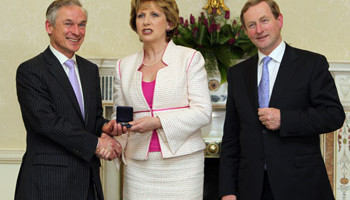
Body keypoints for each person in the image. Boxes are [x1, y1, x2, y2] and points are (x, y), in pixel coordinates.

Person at [219, 0, 345, 200]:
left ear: (279, 20)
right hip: (251, 188)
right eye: (251, 25)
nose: (259, 30)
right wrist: (227, 190)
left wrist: (285, 120)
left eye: (264, 20)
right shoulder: (237, 74)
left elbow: (334, 115)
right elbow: (231, 137)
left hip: (301, 185)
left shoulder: (311, 64)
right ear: (245, 30)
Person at [15, 0, 122, 199]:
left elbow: (92, 119)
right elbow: (46, 123)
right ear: (49, 27)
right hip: (48, 184)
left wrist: (106, 127)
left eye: (82, 24)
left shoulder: (90, 71)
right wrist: (97, 144)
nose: (77, 31)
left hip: (87, 182)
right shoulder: (31, 70)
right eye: (68, 23)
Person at [107, 0, 211, 199]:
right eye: (141, 15)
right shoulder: (123, 66)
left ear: (170, 23)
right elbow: (120, 117)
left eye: (154, 15)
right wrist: (115, 141)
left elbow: (203, 112)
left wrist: (157, 122)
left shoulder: (190, 59)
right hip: (138, 167)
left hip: (183, 166)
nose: (146, 21)